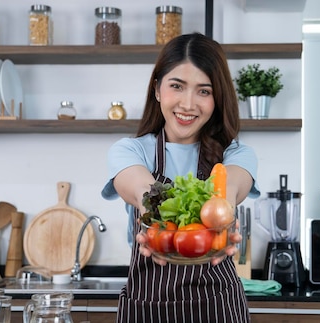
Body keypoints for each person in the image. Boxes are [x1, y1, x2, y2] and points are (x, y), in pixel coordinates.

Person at [101, 32, 260, 323]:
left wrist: (220, 213)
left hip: (219, 308)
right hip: (147, 307)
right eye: (177, 86)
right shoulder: (129, 151)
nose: (188, 104)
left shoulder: (236, 155)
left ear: (217, 98)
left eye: (204, 91)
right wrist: (157, 215)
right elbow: (143, 191)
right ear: (158, 89)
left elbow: (229, 189)